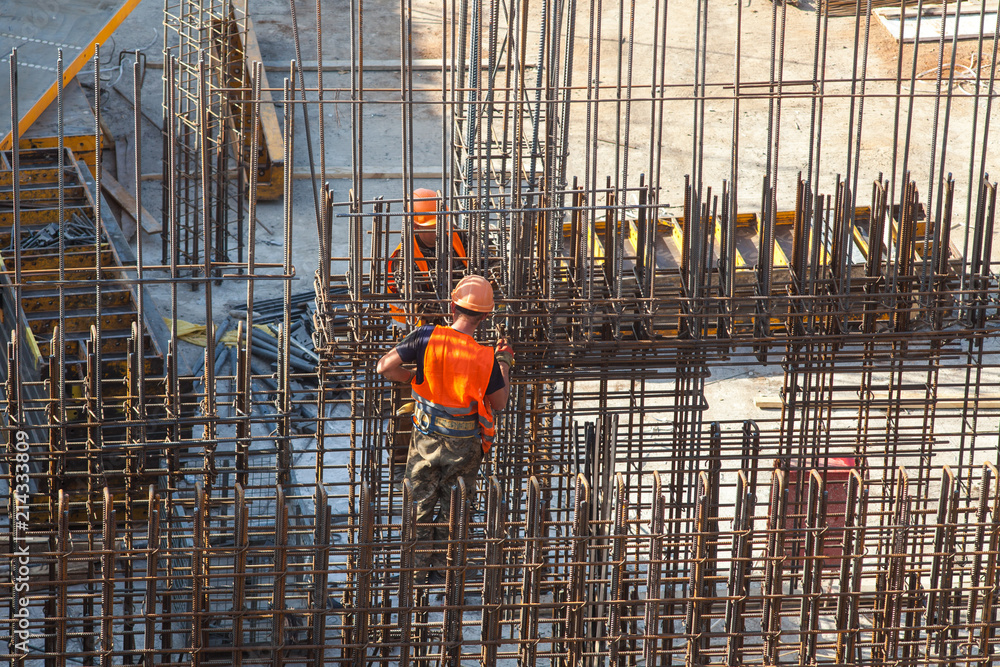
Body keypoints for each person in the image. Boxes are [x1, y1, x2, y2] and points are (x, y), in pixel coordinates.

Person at [376, 274, 514, 583]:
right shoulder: (485, 357)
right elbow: (500, 402)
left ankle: (415, 566)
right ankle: (445, 567)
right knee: (455, 505)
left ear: (453, 307)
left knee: (420, 500)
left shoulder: (426, 336)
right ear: (486, 316)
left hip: (426, 435)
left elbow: (384, 366)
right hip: (464, 442)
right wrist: (503, 361)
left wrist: (414, 379)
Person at [386, 188, 468, 325]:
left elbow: (489, 262)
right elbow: (418, 306)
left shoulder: (456, 235)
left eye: (443, 221)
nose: (442, 228)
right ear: (415, 227)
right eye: (434, 225)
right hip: (432, 329)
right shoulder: (405, 258)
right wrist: (465, 303)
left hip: (468, 318)